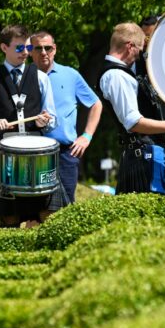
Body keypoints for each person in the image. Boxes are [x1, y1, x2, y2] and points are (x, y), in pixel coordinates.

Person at [0, 24, 60, 228]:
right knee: (9, 217)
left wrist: (46, 120)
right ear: (3, 48)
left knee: (47, 213)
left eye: (27, 48)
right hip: (4, 154)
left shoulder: (42, 78)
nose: (25, 53)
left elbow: (52, 119)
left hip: (37, 154)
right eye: (19, 48)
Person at [97, 22, 165, 195]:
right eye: (139, 49)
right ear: (130, 46)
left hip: (147, 154)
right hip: (140, 158)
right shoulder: (116, 76)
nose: (139, 56)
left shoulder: (122, 73)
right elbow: (134, 122)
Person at [29, 30, 102, 203]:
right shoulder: (22, 77)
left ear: (55, 49)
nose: (44, 53)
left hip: (65, 153)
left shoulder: (71, 75)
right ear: (30, 51)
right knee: (33, 208)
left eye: (48, 48)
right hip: (32, 151)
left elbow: (96, 104)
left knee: (65, 206)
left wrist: (87, 136)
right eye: (38, 49)